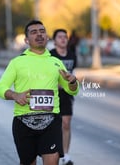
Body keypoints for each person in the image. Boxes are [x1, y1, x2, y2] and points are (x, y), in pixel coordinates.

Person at [0, 20, 79, 165]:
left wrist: (72, 81)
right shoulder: (17, 62)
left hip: (51, 121)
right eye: (34, 32)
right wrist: (15, 95)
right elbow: (0, 88)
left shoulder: (56, 62)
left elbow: (73, 89)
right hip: (24, 121)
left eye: (42, 31)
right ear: (26, 40)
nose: (39, 34)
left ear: (47, 37)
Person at [50, 29, 77, 165]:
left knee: (66, 124)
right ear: (54, 41)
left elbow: (73, 73)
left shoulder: (72, 55)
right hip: (53, 95)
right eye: (59, 37)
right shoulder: (50, 56)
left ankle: (66, 155)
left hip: (66, 95)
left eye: (65, 37)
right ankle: (52, 153)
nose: (63, 39)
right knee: (53, 125)